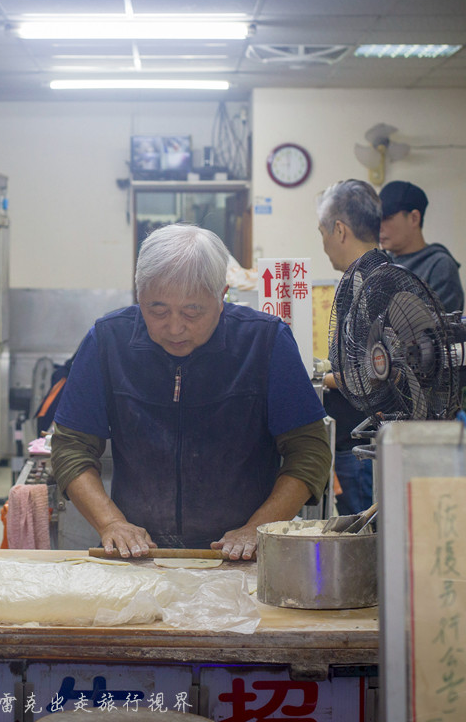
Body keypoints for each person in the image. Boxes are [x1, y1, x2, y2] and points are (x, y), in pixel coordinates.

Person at [49, 224, 331, 560]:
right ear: (139, 295)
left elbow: (309, 451)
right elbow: (71, 446)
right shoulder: (107, 341)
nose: (175, 327)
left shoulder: (265, 343)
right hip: (139, 555)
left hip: (243, 556)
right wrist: (112, 523)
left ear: (222, 296)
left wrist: (257, 529)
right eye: (157, 310)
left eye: (192, 311)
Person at [316, 179, 381, 515]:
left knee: (366, 537)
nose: (324, 244)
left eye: (323, 232)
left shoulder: (367, 285)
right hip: (362, 440)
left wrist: (321, 379)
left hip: (362, 444)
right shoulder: (385, 274)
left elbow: (378, 371)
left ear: (340, 230)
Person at [377, 180, 464, 312]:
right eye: (377, 219)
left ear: (414, 218)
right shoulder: (382, 265)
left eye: (387, 218)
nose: (379, 227)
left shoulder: (439, 267)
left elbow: (438, 330)